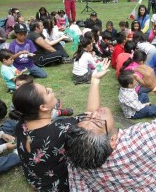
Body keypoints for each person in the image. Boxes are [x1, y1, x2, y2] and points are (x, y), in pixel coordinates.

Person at [13, 59, 109, 191]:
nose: (50, 89)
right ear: (43, 107)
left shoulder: (21, 124)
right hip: (58, 186)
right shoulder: (62, 129)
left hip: (34, 179)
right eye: (47, 91)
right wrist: (95, 80)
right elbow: (92, 113)